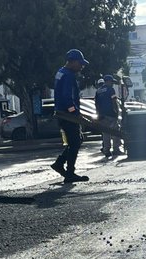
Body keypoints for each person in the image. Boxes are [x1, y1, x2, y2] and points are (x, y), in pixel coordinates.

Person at [51, 49, 90, 183]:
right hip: (67, 114)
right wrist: (74, 113)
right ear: (72, 62)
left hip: (61, 112)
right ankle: (69, 173)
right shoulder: (68, 75)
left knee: (76, 140)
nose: (81, 66)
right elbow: (67, 97)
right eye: (80, 63)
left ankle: (60, 164)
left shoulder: (61, 72)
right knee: (75, 142)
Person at [95, 74, 123, 158]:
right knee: (115, 132)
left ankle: (106, 150)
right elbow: (114, 101)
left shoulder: (98, 91)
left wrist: (98, 114)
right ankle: (116, 149)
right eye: (112, 82)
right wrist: (117, 111)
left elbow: (96, 104)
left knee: (106, 133)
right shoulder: (111, 90)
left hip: (102, 116)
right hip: (111, 114)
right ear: (108, 81)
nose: (113, 84)